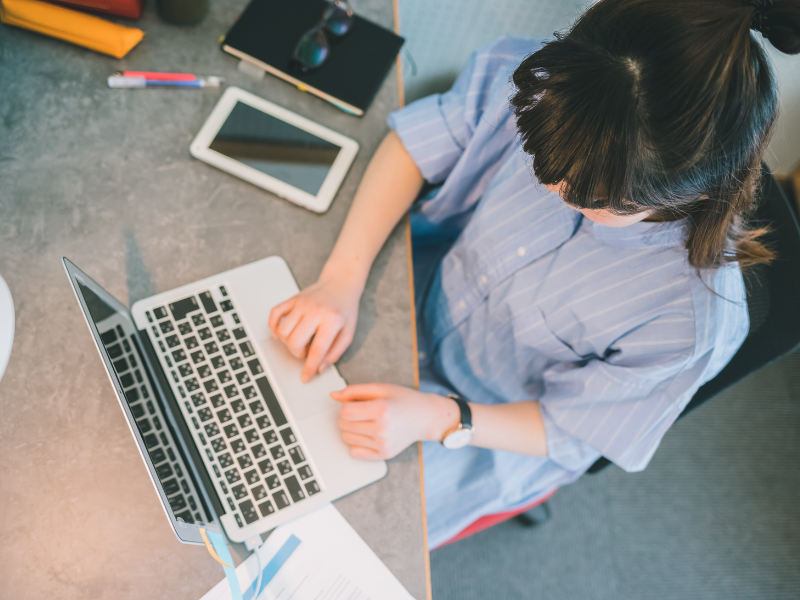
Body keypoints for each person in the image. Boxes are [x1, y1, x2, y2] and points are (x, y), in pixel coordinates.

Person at [269, 0, 800, 548]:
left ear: (695, 193)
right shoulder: (547, 84)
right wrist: (342, 280)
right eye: (544, 157)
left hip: (488, 422)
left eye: (592, 195)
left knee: (311, 537)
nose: (554, 189)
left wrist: (437, 418)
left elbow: (571, 430)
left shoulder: (690, 320)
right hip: (415, 285)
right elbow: (419, 143)